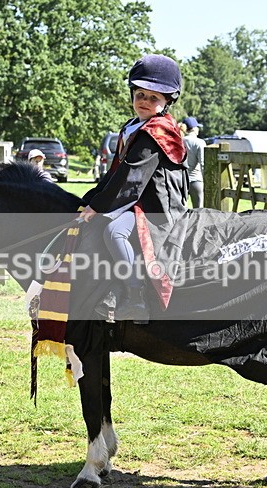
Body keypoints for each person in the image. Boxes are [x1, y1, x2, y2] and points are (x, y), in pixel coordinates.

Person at [78, 54, 189, 322]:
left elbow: (132, 179)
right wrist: (89, 200)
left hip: (157, 205)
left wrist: (100, 207)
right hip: (136, 198)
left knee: (115, 231)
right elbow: (115, 172)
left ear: (167, 102)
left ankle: (134, 296)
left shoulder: (157, 131)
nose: (145, 102)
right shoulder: (132, 127)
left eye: (154, 98)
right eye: (140, 94)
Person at [182, 116, 206, 208]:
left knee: (181, 211)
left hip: (182, 180)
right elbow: (203, 163)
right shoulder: (199, 142)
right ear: (195, 128)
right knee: (198, 210)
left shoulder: (180, 141)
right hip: (196, 180)